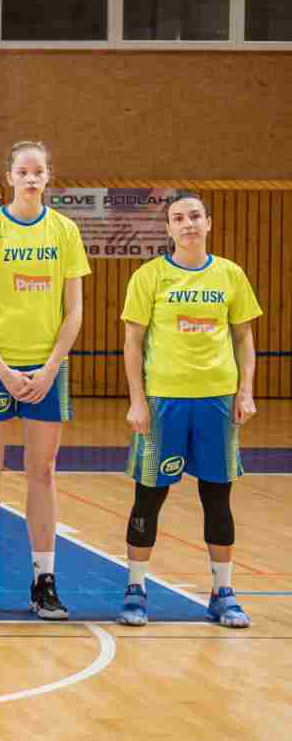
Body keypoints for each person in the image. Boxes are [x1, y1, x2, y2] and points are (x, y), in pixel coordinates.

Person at [117, 192, 261, 629]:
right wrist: (137, 400)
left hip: (217, 401)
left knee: (217, 497)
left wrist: (245, 391)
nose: (188, 224)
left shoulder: (230, 274)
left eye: (195, 216)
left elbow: (243, 338)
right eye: (178, 218)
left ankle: (223, 593)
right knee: (149, 496)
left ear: (208, 223)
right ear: (168, 228)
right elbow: (133, 342)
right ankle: (136, 590)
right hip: (164, 401)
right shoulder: (149, 276)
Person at [0, 140, 88, 620]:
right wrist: (3, 371)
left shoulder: (65, 231)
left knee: (42, 471)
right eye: (23, 171)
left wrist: (50, 368)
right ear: (9, 177)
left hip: (47, 367)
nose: (31, 178)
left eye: (38, 171)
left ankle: (44, 580)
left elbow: (74, 312)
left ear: (49, 176)